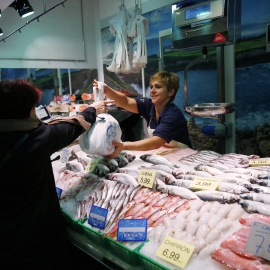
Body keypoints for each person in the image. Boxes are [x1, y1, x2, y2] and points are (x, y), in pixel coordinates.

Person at [0, 79, 110, 268]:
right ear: (26, 109)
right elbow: (71, 127)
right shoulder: (37, 137)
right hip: (35, 233)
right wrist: (93, 110)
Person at [94, 71, 192, 158]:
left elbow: (155, 142)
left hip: (182, 155)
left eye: (158, 87)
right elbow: (126, 101)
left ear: (171, 92)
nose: (152, 91)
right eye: (151, 87)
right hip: (163, 152)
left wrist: (124, 146)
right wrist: (106, 90)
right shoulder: (149, 105)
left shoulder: (173, 115)